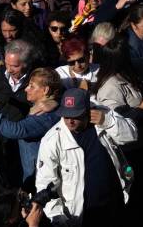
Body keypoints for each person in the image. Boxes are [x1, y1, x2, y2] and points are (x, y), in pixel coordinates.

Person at [35, 87, 137, 224]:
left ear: (88, 112)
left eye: (76, 116)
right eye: (66, 116)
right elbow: (45, 183)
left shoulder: (103, 116)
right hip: (82, 214)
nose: (70, 121)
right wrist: (59, 219)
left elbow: (131, 136)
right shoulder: (52, 140)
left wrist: (107, 121)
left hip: (115, 203)